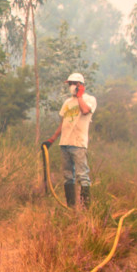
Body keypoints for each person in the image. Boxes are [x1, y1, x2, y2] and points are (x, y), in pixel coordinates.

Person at [42, 72, 97, 208]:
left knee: (82, 176)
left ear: (81, 85)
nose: (71, 86)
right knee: (68, 177)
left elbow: (85, 111)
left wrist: (79, 96)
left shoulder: (89, 99)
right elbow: (63, 123)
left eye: (74, 84)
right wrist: (52, 139)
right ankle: (71, 208)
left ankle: (85, 209)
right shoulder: (67, 102)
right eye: (70, 84)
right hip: (65, 143)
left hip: (78, 144)